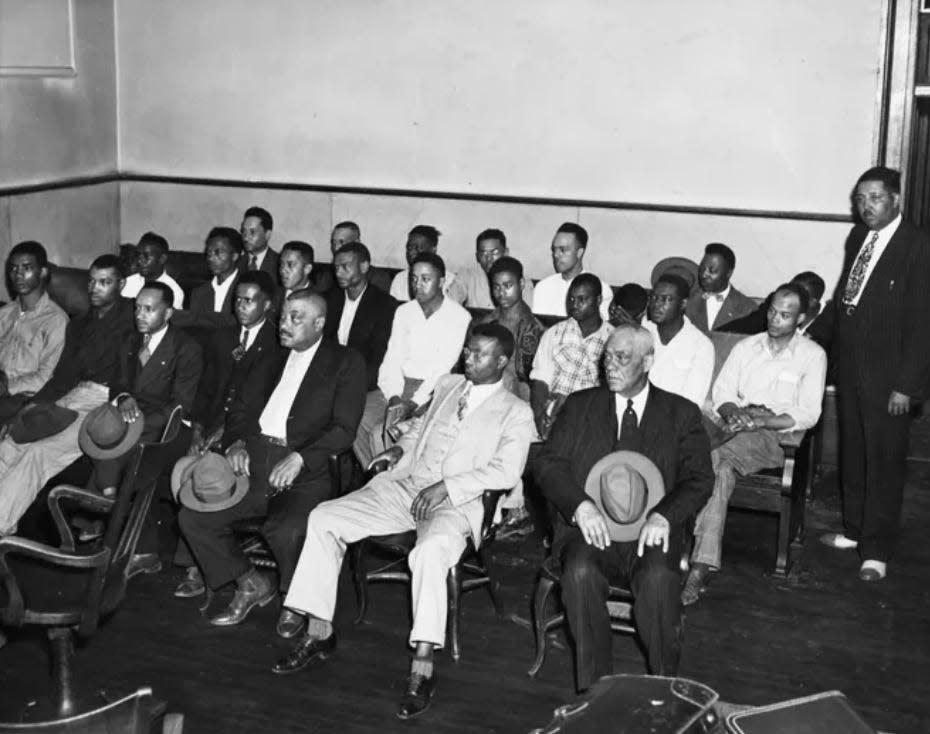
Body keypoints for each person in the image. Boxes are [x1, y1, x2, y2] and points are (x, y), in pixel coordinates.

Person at [273, 323, 534, 720]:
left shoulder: (516, 411)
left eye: (479, 354)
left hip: (457, 503)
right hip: (406, 487)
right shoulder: (448, 385)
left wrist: (447, 487)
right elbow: (419, 430)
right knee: (324, 517)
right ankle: (319, 632)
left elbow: (505, 472)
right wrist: (396, 450)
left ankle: (423, 666)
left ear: (502, 361)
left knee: (429, 552)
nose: (469, 358)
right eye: (467, 350)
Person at [533, 325, 714, 691]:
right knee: (580, 572)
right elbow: (548, 464)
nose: (610, 366)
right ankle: (596, 691)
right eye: (607, 357)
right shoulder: (581, 405)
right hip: (591, 528)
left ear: (648, 361)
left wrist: (665, 515)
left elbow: (699, 479)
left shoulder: (680, 413)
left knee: (659, 580)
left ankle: (665, 686)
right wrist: (580, 506)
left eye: (622, 358)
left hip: (650, 530)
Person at [178, 291, 366, 629]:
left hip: (305, 470)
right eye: (283, 317)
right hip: (252, 461)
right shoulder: (270, 358)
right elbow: (241, 409)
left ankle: (296, 599)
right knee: (195, 517)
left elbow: (344, 428)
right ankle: (251, 583)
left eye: (296, 318)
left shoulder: (345, 362)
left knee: (285, 527)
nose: (284, 324)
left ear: (319, 323)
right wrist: (235, 443)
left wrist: (300, 457)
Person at [682, 283, 826, 603]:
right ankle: (700, 565)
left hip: (775, 436)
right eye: (772, 311)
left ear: (800, 318)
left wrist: (761, 421)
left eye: (785, 315)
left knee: (705, 458)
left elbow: (808, 412)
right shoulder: (747, 347)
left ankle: (681, 547)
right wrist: (735, 413)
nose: (775, 319)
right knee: (717, 469)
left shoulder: (812, 356)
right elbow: (723, 393)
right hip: (734, 427)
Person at [820, 166, 930, 582]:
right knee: (855, 451)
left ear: (896, 199)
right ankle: (855, 530)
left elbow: (923, 325)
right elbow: (844, 298)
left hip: (892, 378)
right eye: (861, 199)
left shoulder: (918, 245)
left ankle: (877, 550)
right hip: (853, 368)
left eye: (876, 198)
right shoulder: (857, 237)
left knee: (884, 460)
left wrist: (908, 385)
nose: (866, 206)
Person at [0, 255, 133, 535]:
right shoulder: (80, 323)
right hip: (72, 395)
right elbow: (63, 377)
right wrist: (32, 407)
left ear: (121, 284)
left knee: (38, 453)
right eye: (92, 281)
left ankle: (2, 524)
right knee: (10, 442)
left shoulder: (134, 319)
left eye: (105, 282)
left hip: (103, 404)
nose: (95, 288)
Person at [356, 252, 470, 467]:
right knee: (354, 417)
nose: (418, 284)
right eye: (414, 279)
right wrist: (394, 396)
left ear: (442, 282)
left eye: (426, 279)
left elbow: (443, 369)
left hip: (432, 391)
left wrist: (413, 403)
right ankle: (373, 476)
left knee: (380, 432)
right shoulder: (403, 312)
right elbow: (392, 358)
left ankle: (390, 482)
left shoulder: (459, 317)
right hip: (397, 386)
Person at [189, 271, 286, 455]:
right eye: (238, 300)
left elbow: (264, 401)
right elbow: (205, 389)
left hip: (247, 434)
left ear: (266, 305)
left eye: (248, 301)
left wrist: (228, 431)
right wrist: (197, 431)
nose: (240, 306)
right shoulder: (222, 337)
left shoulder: (277, 345)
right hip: (210, 427)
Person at [530, 274, 613, 440]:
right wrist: (540, 415)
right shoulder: (554, 333)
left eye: (582, 299)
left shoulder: (613, 338)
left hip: (591, 415)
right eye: (571, 299)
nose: (574, 305)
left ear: (598, 300)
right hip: (553, 409)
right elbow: (540, 380)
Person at [0, 241, 68, 422]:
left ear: (43, 272)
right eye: (13, 269)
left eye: (27, 268)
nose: (18, 275)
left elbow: (45, 377)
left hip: (25, 397)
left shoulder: (55, 320)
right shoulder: (4, 314)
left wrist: (7, 386)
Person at [324, 242, 398, 392]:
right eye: (336, 268)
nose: (338, 273)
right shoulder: (329, 299)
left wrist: (350, 387)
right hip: (328, 379)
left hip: (363, 382)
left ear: (364, 267)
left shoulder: (384, 305)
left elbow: (379, 359)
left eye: (345, 267)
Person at [469, 256, 544, 402]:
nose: (501, 293)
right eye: (496, 287)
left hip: (514, 394)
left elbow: (528, 379)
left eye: (507, 286)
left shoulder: (533, 328)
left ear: (521, 284)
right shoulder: (485, 322)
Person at [642, 274, 714, 408]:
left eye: (666, 299)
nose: (657, 304)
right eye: (654, 297)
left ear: (683, 304)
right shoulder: (642, 332)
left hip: (673, 420)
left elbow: (691, 403)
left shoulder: (701, 345)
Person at [532, 223, 611, 320]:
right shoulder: (542, 287)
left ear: (579, 253)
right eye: (554, 250)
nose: (556, 255)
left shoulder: (601, 289)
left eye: (562, 250)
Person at [171, 227, 242, 329]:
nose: (211, 258)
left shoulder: (244, 289)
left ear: (234, 256)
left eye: (218, 252)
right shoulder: (199, 293)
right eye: (209, 252)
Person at [685, 242, 756, 335]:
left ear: (728, 273)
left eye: (712, 271)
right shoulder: (687, 303)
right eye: (702, 268)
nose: (704, 274)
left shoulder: (748, 309)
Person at [388, 225, 466, 304]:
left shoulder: (451, 281)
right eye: (409, 248)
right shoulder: (399, 279)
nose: (411, 252)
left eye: (417, 248)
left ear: (433, 249)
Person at [458, 229, 534, 309]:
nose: (489, 258)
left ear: (506, 253)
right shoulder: (467, 275)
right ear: (477, 256)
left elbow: (527, 315)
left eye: (494, 252)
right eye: (484, 253)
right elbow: (450, 303)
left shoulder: (521, 281)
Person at [121, 232, 185, 309]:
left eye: (146, 256)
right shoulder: (128, 283)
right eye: (138, 255)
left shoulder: (175, 292)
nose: (139, 261)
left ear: (162, 259)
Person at [312, 221, 362, 295]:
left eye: (341, 242)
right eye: (334, 243)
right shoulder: (324, 277)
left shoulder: (376, 278)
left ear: (356, 242)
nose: (336, 248)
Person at [239, 206, 279, 277]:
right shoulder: (236, 263)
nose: (246, 237)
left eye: (252, 232)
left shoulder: (278, 264)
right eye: (244, 231)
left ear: (267, 234)